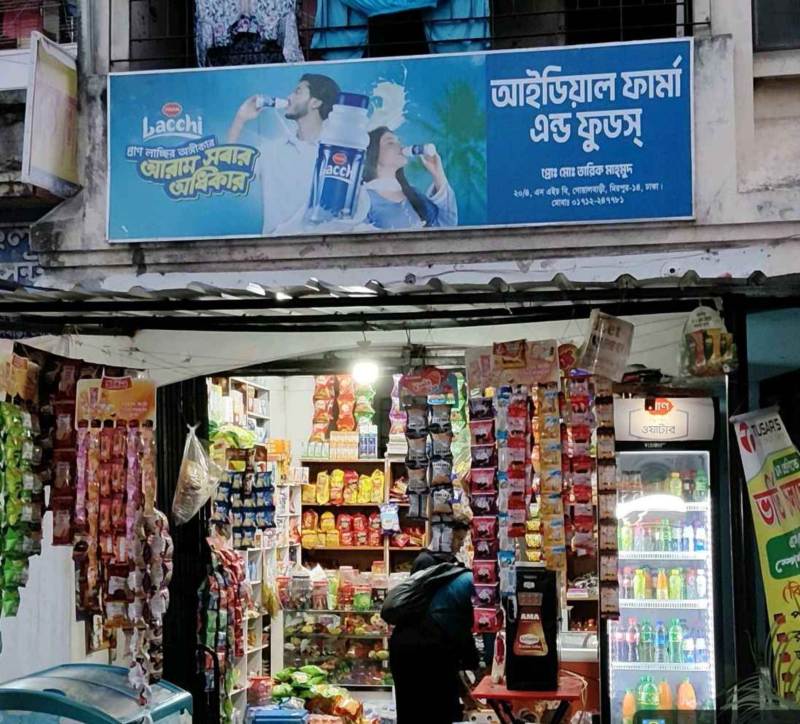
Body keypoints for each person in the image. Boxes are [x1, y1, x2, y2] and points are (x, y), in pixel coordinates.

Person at [228, 73, 340, 234]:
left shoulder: (337, 156)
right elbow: (229, 168)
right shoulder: (271, 151)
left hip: (323, 244)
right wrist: (240, 118)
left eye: (298, 91)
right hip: (276, 246)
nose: (289, 97)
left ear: (315, 102)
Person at [389, 537, 479, 723]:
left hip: (405, 646)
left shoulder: (459, 581)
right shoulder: (473, 588)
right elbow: (460, 639)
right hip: (422, 649)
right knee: (437, 709)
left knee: (412, 709)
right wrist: (476, 672)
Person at [363, 126, 458, 230]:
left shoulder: (413, 194)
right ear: (373, 152)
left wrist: (438, 174)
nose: (400, 146)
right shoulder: (364, 200)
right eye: (390, 143)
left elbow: (447, 225)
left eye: (399, 142)